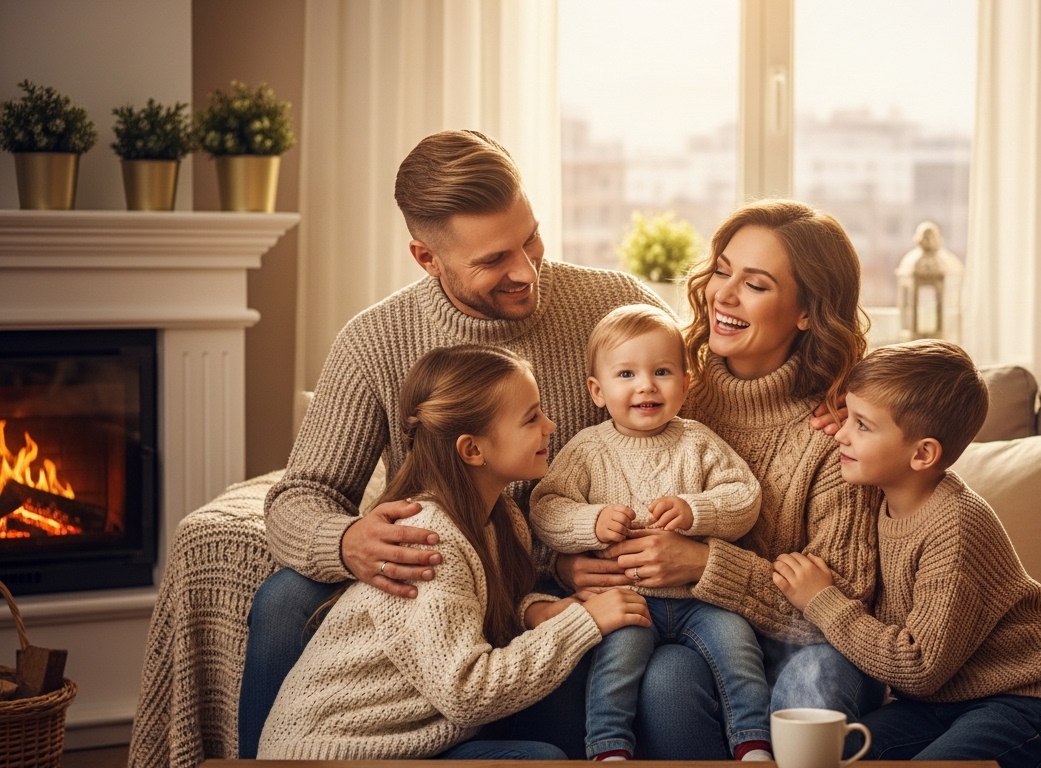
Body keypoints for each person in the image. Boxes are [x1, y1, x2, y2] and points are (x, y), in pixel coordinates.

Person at [240, 130, 668, 757]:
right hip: (453, 573)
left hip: (563, 571)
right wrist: (348, 541)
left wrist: (816, 391)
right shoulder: (374, 341)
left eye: (531, 239)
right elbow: (301, 495)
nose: (526, 270)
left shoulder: (614, 305)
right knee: (285, 598)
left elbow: (705, 399)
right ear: (427, 257)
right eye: (494, 259)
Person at [556, 200, 886, 759]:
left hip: (803, 644)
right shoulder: (661, 388)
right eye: (722, 270)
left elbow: (844, 610)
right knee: (666, 681)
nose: (723, 295)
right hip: (688, 623)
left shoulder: (836, 429)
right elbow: (573, 496)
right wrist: (570, 565)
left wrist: (703, 563)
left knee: (816, 676)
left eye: (754, 285)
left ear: (807, 312)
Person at [258, 344, 650, 760]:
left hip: (407, 746)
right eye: (531, 417)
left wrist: (532, 612)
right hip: (331, 754)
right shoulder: (427, 540)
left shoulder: (501, 518)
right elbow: (467, 691)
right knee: (541, 760)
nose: (550, 426)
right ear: (472, 450)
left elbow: (468, 614)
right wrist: (584, 622)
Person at [771, 340, 1041, 767]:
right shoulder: (876, 497)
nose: (840, 434)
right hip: (932, 706)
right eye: (847, 417)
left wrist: (822, 601)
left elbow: (919, 666)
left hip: (1019, 702)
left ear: (922, 454)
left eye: (861, 425)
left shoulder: (956, 525)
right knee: (829, 756)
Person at [529, 304, 771, 762]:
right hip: (626, 599)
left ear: (685, 383)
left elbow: (744, 495)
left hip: (700, 600)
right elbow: (546, 507)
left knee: (738, 644)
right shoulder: (587, 448)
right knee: (616, 663)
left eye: (662, 371)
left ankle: (753, 741)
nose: (646, 385)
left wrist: (696, 510)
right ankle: (608, 746)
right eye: (626, 374)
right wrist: (591, 522)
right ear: (597, 390)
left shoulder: (697, 440)